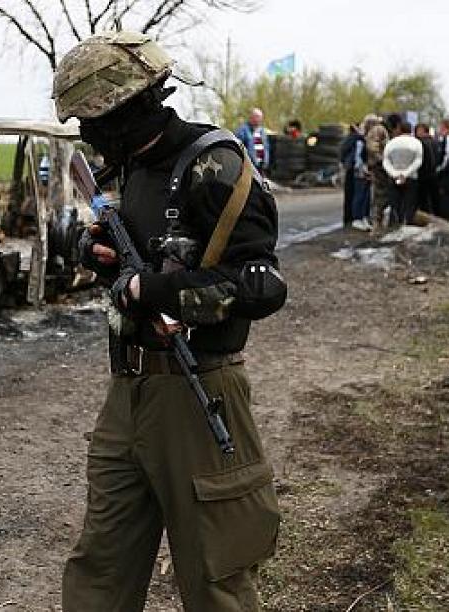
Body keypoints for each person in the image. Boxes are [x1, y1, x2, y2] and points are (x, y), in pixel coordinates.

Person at [52, 31, 286, 612]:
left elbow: (260, 287)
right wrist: (96, 251)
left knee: (214, 578)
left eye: (94, 122)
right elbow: (137, 251)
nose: (88, 137)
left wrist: (154, 289)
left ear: (130, 110)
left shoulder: (214, 166)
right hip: (127, 392)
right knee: (99, 569)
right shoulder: (133, 168)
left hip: (198, 390)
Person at [364, 114, 392, 231]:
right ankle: (378, 223)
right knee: (382, 194)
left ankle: (377, 222)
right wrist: (383, 160)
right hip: (380, 167)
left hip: (375, 166)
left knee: (377, 195)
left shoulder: (369, 133)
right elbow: (374, 148)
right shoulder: (378, 130)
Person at [339, 123, 364, 229]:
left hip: (351, 167)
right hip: (352, 168)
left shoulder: (356, 138)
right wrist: (346, 162)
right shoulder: (354, 137)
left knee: (351, 193)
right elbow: (343, 151)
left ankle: (349, 217)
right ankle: (349, 217)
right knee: (352, 192)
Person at [236, 107, 271, 172]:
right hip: (248, 167)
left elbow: (266, 147)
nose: (259, 119)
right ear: (251, 117)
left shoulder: (262, 131)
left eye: (260, 117)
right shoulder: (242, 130)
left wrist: (266, 161)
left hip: (261, 166)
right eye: (257, 117)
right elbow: (238, 147)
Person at [414, 123, 438, 215]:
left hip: (423, 176)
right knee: (434, 201)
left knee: (423, 202)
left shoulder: (420, 143)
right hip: (435, 176)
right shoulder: (435, 142)